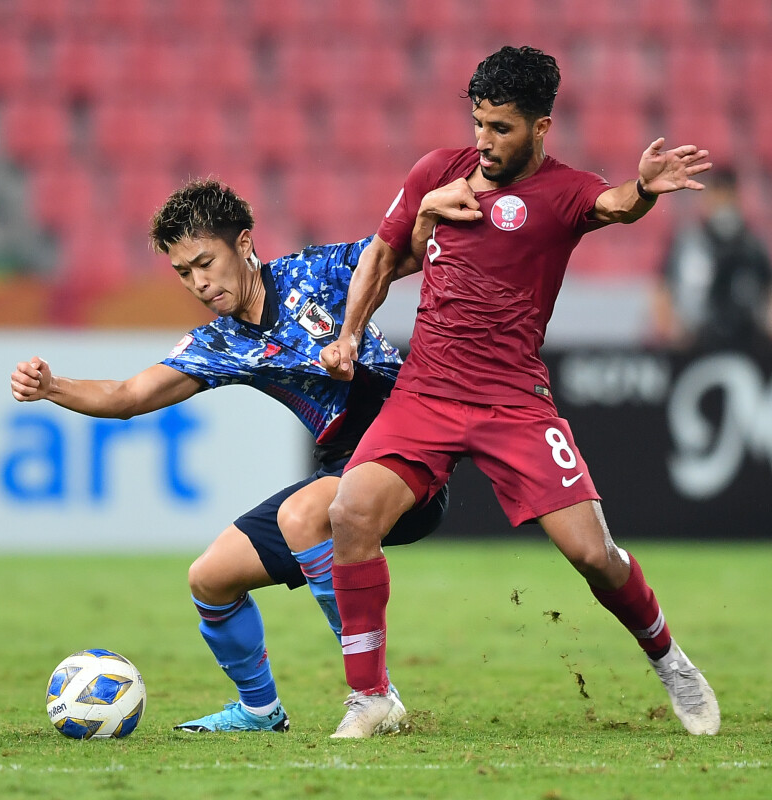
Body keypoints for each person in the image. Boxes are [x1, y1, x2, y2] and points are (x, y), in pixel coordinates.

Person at [318, 45, 721, 738]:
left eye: (501, 127)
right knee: (351, 514)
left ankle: (670, 659)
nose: (485, 140)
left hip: (513, 403)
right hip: (427, 394)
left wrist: (646, 187)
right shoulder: (435, 173)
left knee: (594, 555)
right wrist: (350, 333)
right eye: (478, 122)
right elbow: (383, 256)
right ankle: (371, 697)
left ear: (540, 127)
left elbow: (614, 204)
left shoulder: (563, 191)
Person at [11, 179, 447, 733]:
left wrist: (433, 207)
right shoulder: (221, 343)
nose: (198, 282)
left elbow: (399, 251)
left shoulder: (315, 274)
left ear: (243, 244)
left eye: (204, 262)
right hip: (338, 471)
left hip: (404, 459)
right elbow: (128, 397)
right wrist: (53, 387)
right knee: (210, 578)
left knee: (302, 515)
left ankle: (375, 694)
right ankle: (261, 712)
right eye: (184, 273)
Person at [649, 164, 772, 353]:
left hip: (747, 343)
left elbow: (767, 291)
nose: (722, 204)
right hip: (694, 343)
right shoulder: (688, 243)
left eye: (727, 197)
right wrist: (673, 331)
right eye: (717, 196)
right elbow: (662, 288)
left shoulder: (751, 246)